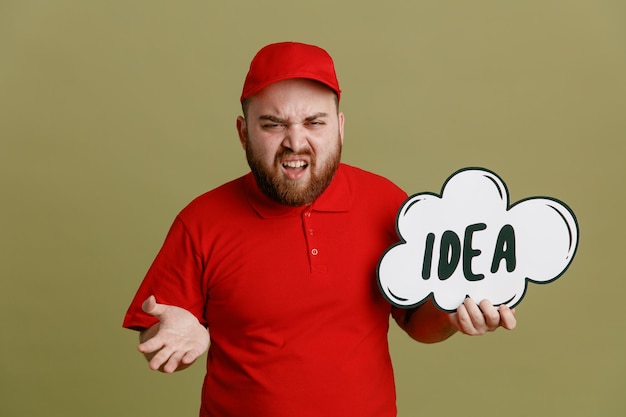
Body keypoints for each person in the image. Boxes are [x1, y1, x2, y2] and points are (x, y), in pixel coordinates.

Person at [123, 41, 516, 417]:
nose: (295, 141)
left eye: (315, 122)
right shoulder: (201, 220)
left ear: (340, 127)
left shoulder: (390, 205)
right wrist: (171, 329)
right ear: (243, 133)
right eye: (273, 124)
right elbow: (157, 330)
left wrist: (451, 316)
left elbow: (417, 323)